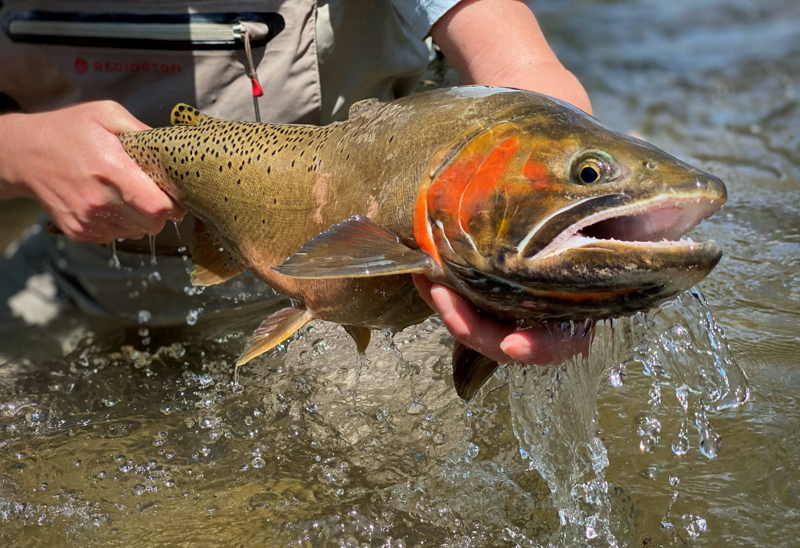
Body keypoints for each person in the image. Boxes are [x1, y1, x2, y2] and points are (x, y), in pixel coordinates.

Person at [0, 0, 592, 364]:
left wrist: (560, 222)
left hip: (375, 289)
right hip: (74, 276)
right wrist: (21, 154)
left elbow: (521, 71)